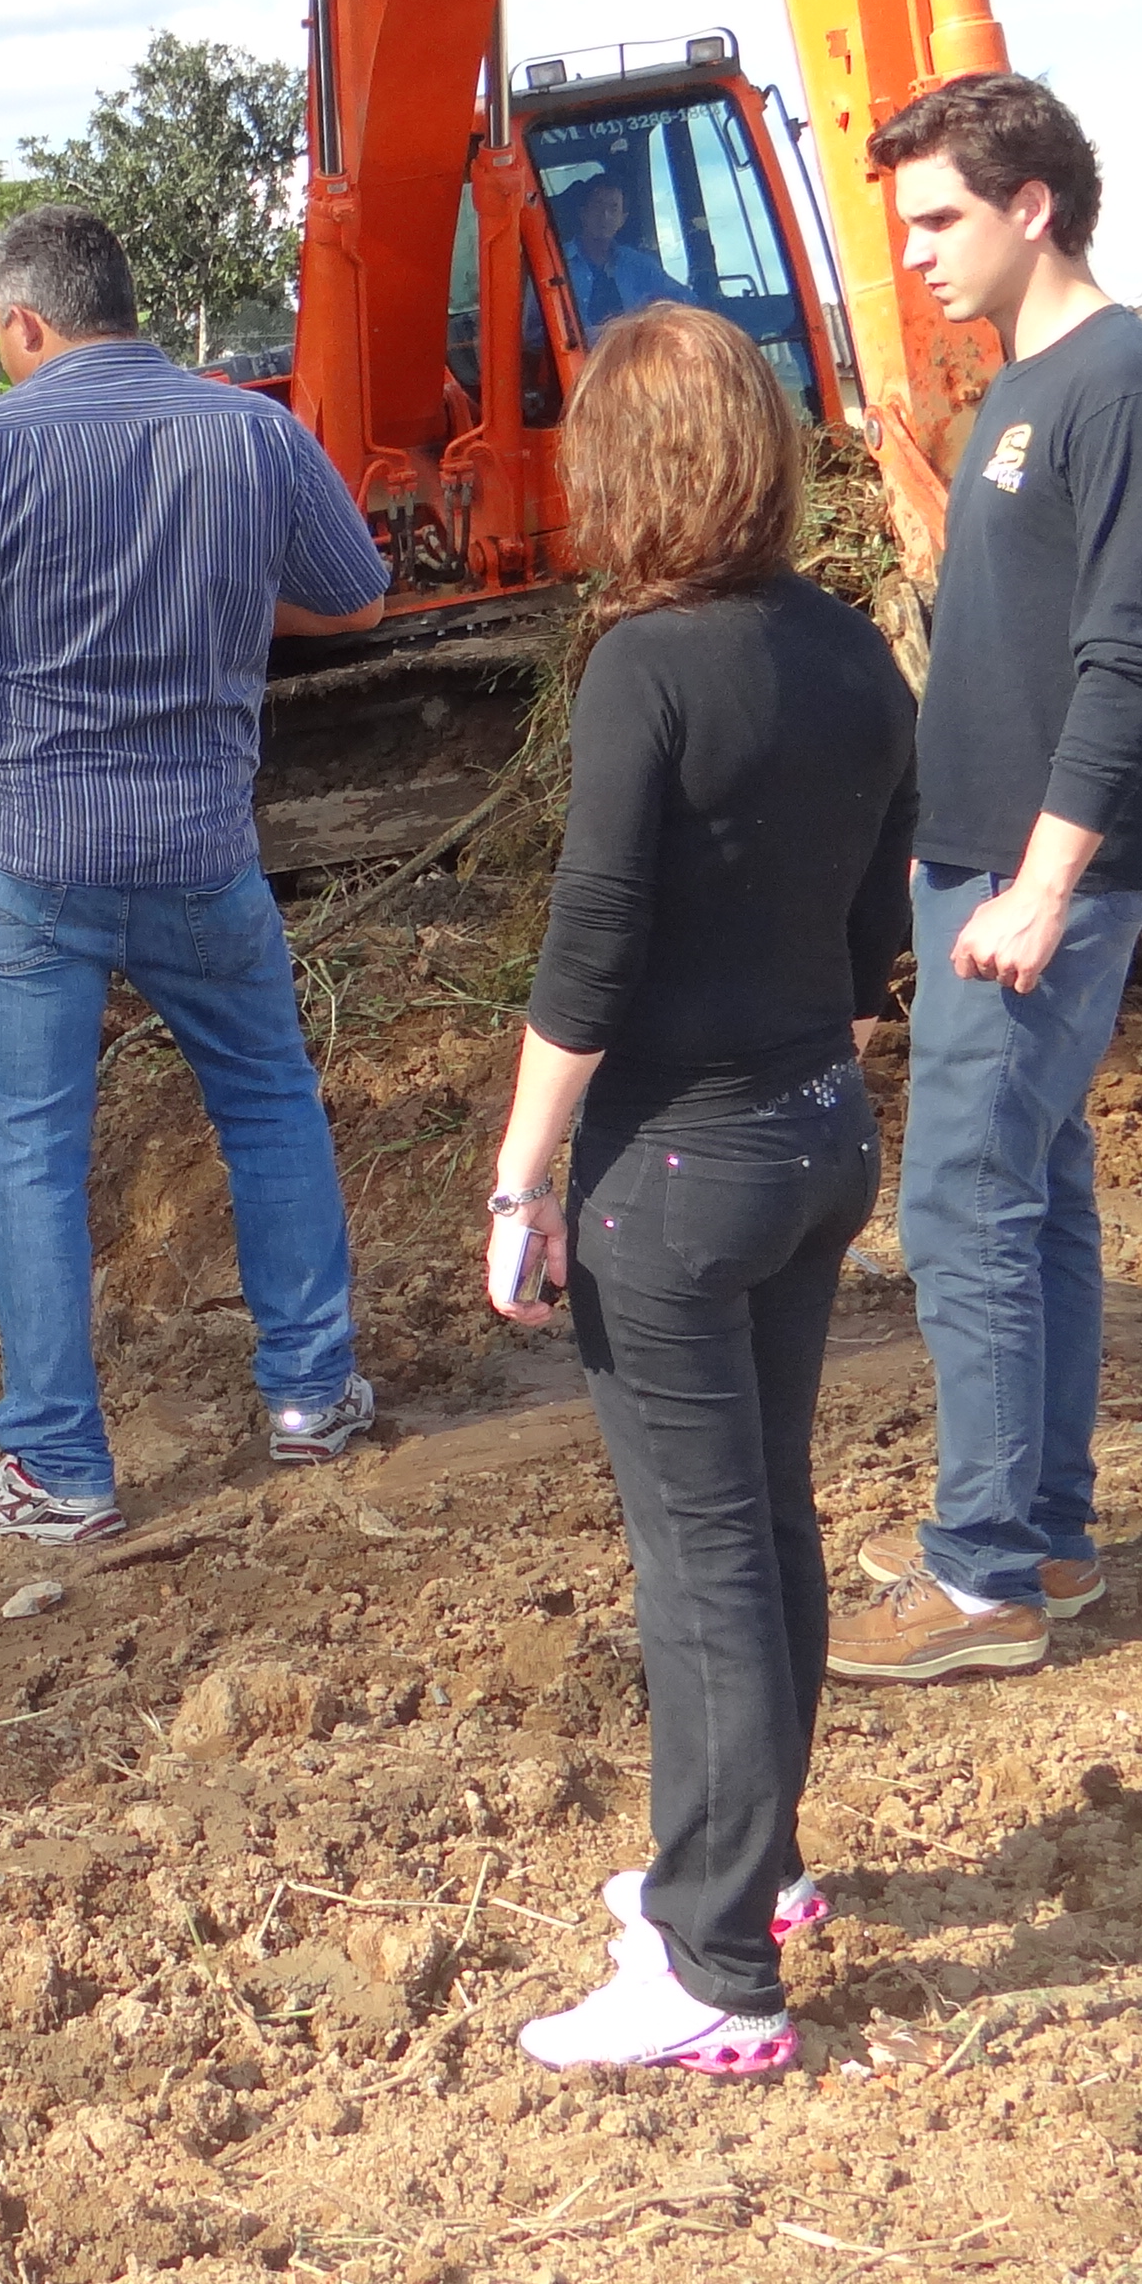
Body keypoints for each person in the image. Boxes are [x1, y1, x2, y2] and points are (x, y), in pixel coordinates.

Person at [478, 303, 917, 2075]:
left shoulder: (644, 669)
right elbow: (882, 917)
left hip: (675, 1172)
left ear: (621, 472)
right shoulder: (851, 651)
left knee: (701, 1559)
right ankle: (758, 1859)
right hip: (818, 1136)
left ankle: (714, 1969)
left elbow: (590, 949)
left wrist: (521, 1179)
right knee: (772, 1518)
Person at [0, 204, 396, 1543]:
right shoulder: (253, 432)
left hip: (30, 859)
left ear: (23, 321)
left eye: (0, 331)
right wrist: (210, 597)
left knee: (34, 1150)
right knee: (267, 1102)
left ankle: (60, 1470)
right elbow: (359, 601)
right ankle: (314, 1398)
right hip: (200, 844)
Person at [829, 72, 1142, 1686]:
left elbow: (1133, 656)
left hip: (1032, 878)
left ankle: (981, 1579)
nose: (912, 250)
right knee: (1034, 1185)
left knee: (962, 1196)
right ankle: (1041, 1525)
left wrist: (1043, 884)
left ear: (1030, 204)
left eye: (938, 217)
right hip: (980, 858)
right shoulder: (1024, 382)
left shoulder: (1121, 385)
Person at [555, 169, 685, 332]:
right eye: (598, 206)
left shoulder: (640, 266)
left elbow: (686, 303)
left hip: (633, 355)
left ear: (622, 220)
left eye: (613, 209)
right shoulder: (554, 263)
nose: (605, 215)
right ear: (583, 213)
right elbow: (530, 332)